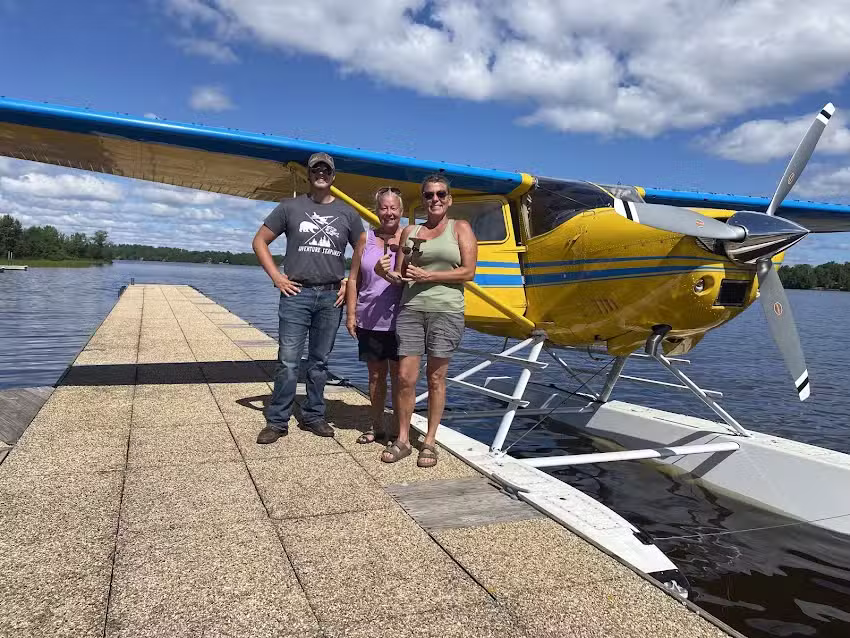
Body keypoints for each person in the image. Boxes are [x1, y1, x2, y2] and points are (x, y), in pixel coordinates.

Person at [252, 152, 364, 444]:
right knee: (288, 360)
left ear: (333, 176)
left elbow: (364, 251)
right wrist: (277, 277)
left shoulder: (348, 214)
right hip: (296, 293)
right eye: (316, 169)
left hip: (331, 297)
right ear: (309, 174)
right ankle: (277, 420)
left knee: (319, 362)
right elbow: (259, 241)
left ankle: (314, 415)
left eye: (326, 170)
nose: (321, 174)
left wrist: (350, 283)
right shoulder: (290, 206)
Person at [376, 174, 477, 467]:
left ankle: (430, 441)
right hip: (411, 310)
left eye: (441, 194)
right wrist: (385, 273)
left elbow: (468, 272)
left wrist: (431, 276)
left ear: (449, 199)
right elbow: (400, 275)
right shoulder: (410, 231)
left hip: (446, 311)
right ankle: (404, 439)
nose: (435, 199)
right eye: (429, 195)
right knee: (406, 377)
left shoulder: (461, 228)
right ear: (422, 200)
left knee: (436, 378)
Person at [345, 187, 405, 444]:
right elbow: (354, 278)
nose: (388, 212)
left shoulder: (410, 237)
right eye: (383, 207)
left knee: (401, 378)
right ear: (376, 210)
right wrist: (350, 314)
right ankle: (377, 425)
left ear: (401, 211)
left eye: (393, 208)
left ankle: (398, 429)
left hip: (402, 319)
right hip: (369, 318)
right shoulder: (364, 239)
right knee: (376, 376)